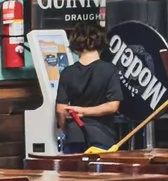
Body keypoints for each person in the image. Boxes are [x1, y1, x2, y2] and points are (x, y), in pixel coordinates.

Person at [53, 18, 126, 147]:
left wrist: (66, 129)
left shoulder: (67, 72)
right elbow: (112, 106)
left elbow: (60, 110)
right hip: (102, 136)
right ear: (101, 42)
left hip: (74, 135)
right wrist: (84, 111)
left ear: (75, 46)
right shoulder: (109, 70)